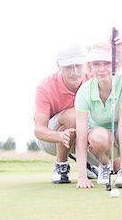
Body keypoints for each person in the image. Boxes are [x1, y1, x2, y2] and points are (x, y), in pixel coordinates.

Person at [75, 29, 122, 189]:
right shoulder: (84, 92)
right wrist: (81, 176)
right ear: (89, 68)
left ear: (115, 65)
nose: (101, 68)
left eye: (106, 63)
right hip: (102, 141)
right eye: (96, 64)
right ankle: (105, 166)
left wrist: (120, 54)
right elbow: (81, 138)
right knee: (97, 136)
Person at [34, 43, 99, 184]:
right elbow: (39, 130)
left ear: (86, 64)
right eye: (69, 67)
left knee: (117, 167)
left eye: (78, 66)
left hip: (84, 133)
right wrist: (60, 136)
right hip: (50, 139)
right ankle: (61, 166)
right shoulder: (46, 87)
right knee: (74, 116)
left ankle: (86, 164)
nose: (74, 72)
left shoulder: (95, 80)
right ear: (59, 66)